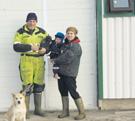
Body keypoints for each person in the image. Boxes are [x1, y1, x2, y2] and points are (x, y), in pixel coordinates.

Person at [13, 12, 49, 118]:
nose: (32, 23)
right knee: (27, 86)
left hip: (39, 61)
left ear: (36, 22)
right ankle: (25, 111)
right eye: (30, 21)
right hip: (27, 61)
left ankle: (38, 109)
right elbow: (16, 47)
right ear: (26, 21)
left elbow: (48, 41)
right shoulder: (20, 32)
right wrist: (30, 47)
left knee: (39, 85)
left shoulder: (42, 31)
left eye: (34, 21)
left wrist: (45, 49)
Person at [52, 27, 86, 120]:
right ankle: (65, 111)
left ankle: (82, 113)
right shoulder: (64, 45)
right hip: (61, 73)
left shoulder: (76, 46)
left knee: (73, 92)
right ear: (66, 34)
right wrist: (55, 71)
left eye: (71, 33)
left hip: (70, 73)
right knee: (63, 91)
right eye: (68, 33)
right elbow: (58, 55)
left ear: (75, 35)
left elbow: (67, 59)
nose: (69, 35)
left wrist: (55, 60)